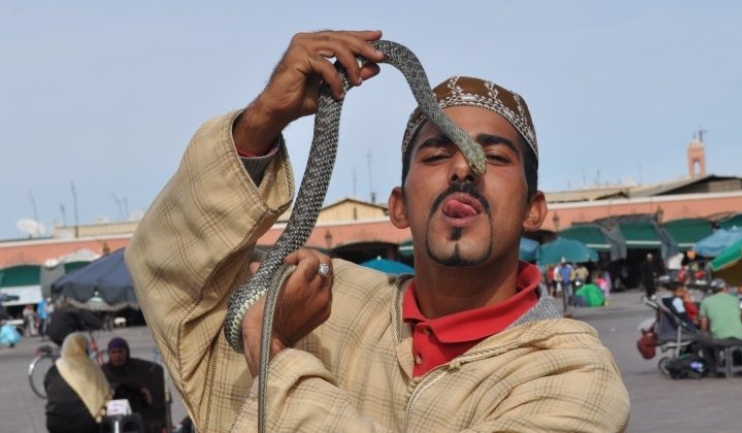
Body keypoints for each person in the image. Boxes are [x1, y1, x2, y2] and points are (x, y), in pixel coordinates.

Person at [126, 30, 630, 432]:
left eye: (493, 157)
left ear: (534, 211)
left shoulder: (573, 373)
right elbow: (175, 282)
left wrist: (273, 351)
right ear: (398, 208)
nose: (463, 168)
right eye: (436, 154)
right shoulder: (323, 302)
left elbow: (260, 342)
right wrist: (260, 123)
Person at [43, 332, 112, 433]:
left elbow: (48, 389)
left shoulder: (54, 368)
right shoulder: (91, 368)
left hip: (55, 422)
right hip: (85, 424)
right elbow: (105, 393)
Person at [102, 337, 167, 433]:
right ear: (109, 354)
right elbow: (112, 379)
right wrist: (138, 387)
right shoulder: (105, 369)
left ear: (126, 352)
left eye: (120, 352)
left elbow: (156, 370)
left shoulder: (136, 367)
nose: (117, 356)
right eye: (113, 352)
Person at [697, 278, 742, 375]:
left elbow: (704, 325)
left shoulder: (706, 302)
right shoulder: (736, 300)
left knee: (702, 339)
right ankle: (739, 366)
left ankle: (714, 369)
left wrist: (704, 333)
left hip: (720, 340)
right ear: (725, 288)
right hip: (740, 339)